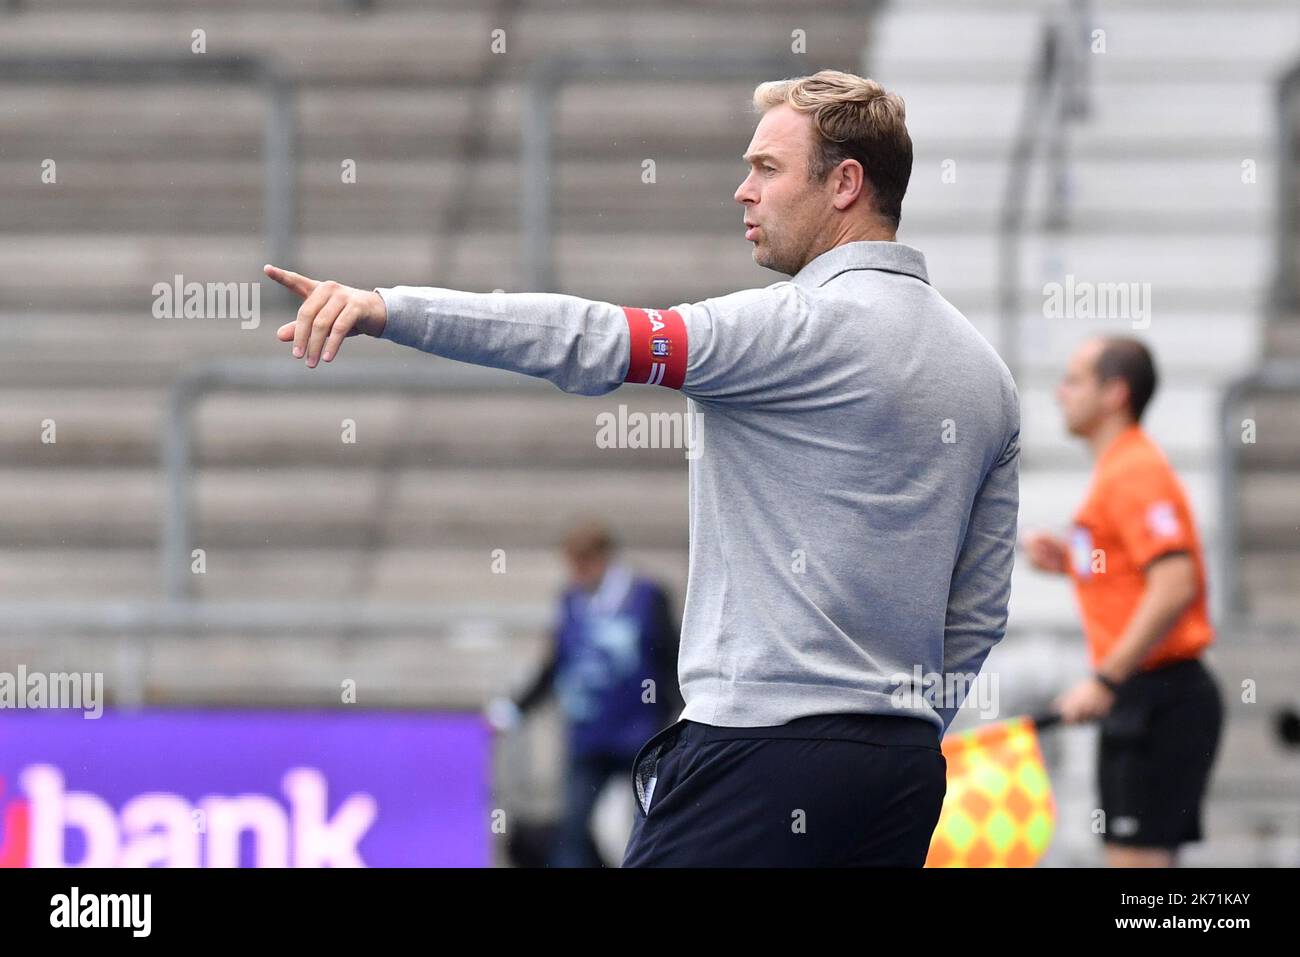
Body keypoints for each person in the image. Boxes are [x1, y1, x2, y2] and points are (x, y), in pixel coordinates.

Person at [263, 68, 1020, 867]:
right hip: (899, 772)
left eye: (767, 168)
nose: (742, 190)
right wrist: (908, 725)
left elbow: (586, 339)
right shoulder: (985, 374)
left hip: (758, 753)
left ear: (845, 184)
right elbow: (977, 612)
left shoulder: (790, 329)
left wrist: (392, 309)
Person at [1023, 336, 1223, 867]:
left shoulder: (1134, 471)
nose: (1061, 393)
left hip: (1159, 693)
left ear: (1114, 393)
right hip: (1146, 694)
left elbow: (1175, 583)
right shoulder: (1119, 470)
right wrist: (1072, 561)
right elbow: (1142, 572)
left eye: (1074, 380)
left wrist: (1106, 678)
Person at [485, 521, 682, 867]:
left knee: (648, 827)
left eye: (582, 563)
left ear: (603, 557)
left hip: (643, 737)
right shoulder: (571, 601)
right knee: (573, 830)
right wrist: (515, 709)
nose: (576, 573)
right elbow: (556, 664)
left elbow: (671, 657)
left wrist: (676, 718)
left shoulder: (648, 596)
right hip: (589, 737)